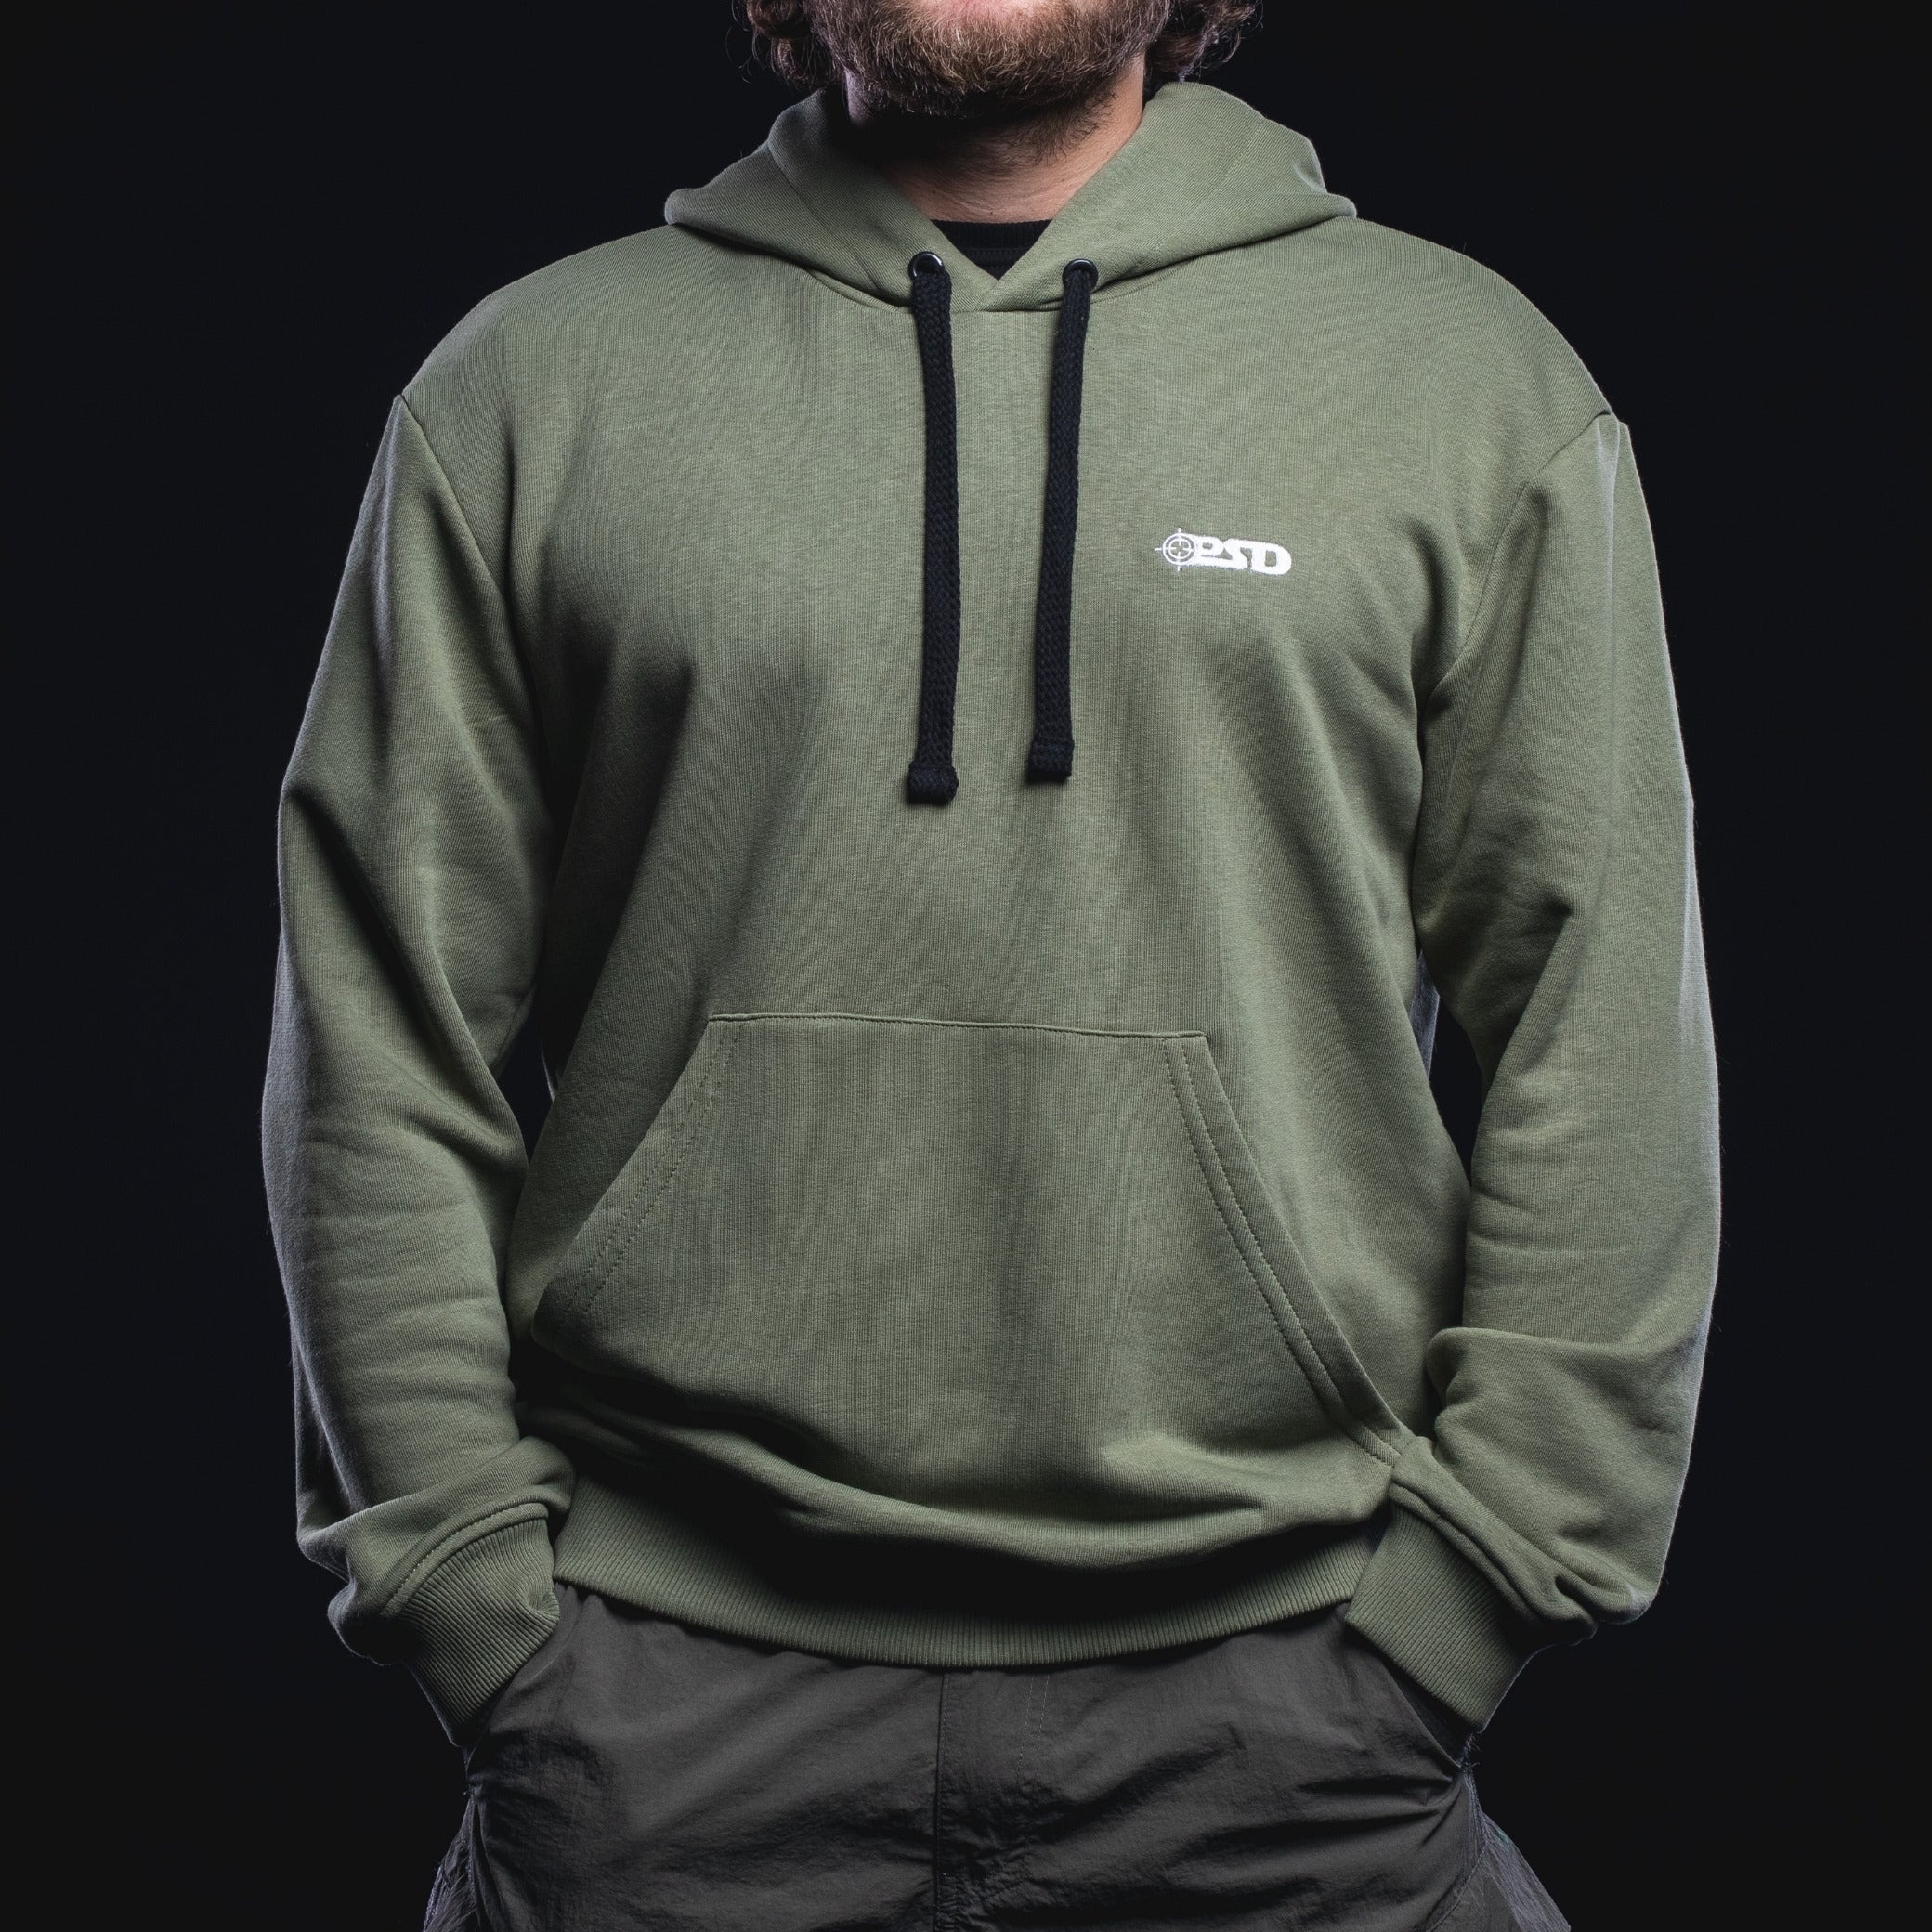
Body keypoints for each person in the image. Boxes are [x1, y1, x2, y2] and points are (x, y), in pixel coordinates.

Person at [263, 3, 1719, 1925]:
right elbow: (377, 1031)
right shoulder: (531, 386)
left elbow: (1601, 1033)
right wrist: (471, 1599)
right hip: (651, 1720)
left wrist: (1475, 1595)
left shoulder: (1463, 384)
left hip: (1296, 1710)